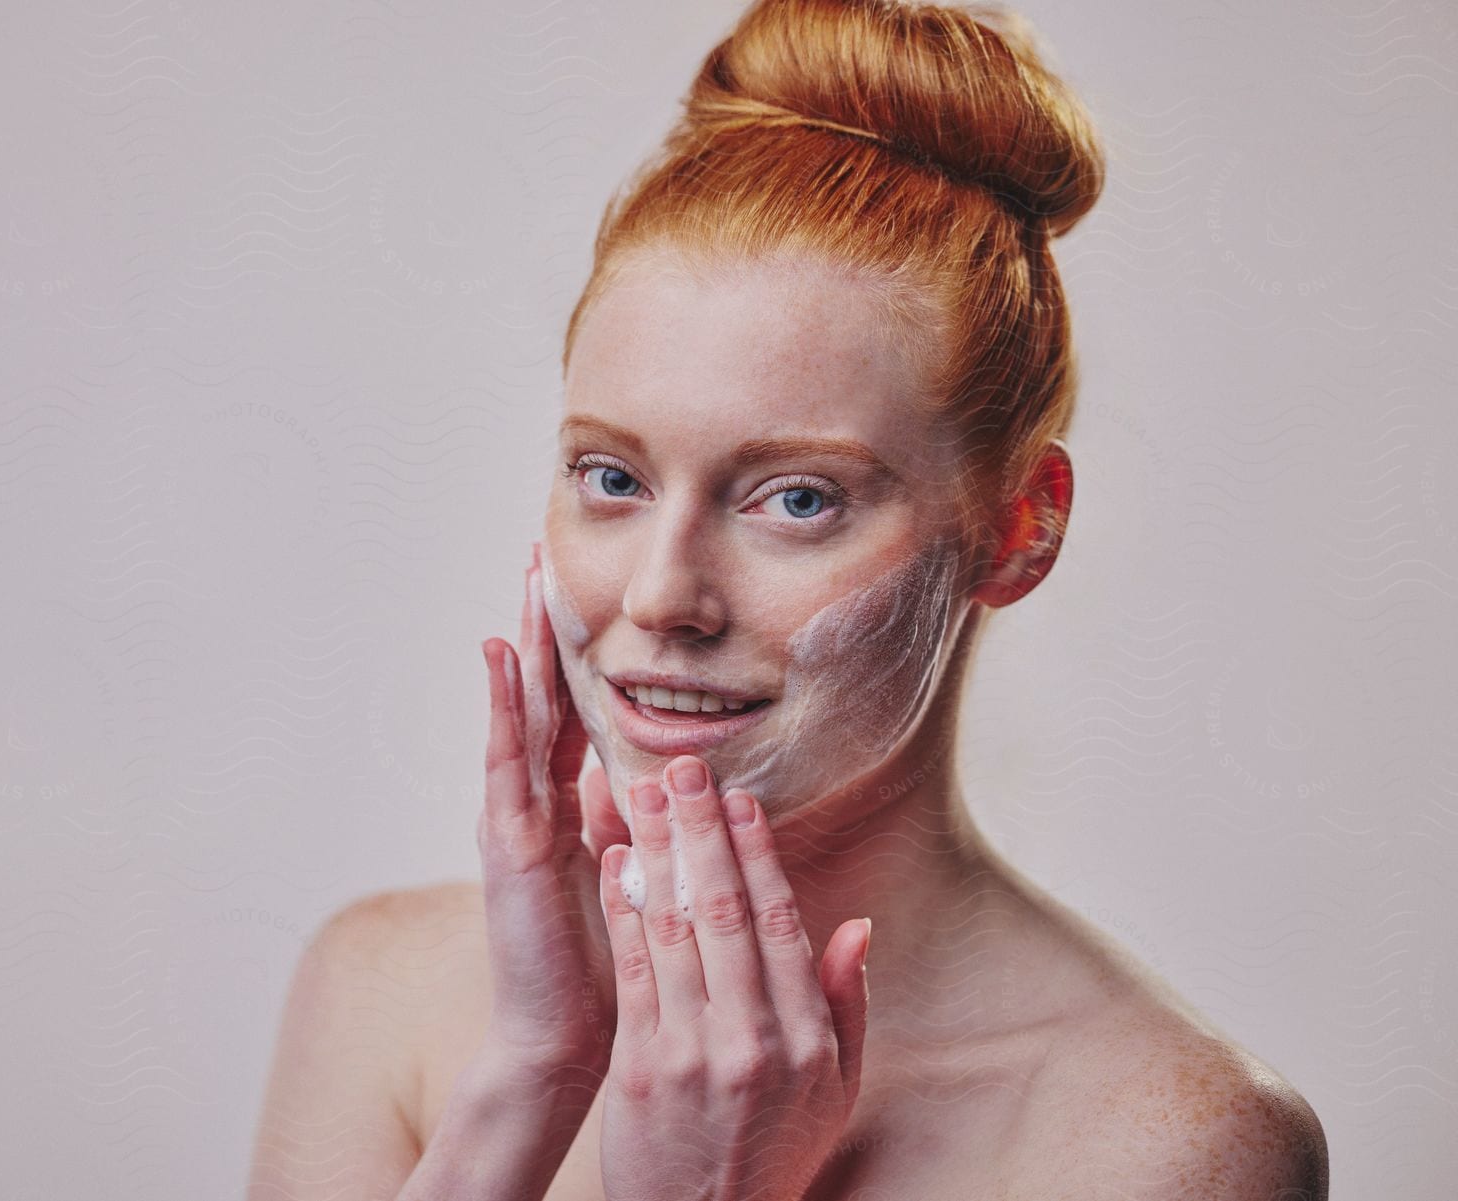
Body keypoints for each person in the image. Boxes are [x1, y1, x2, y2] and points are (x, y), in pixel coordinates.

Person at [248, 1, 1331, 1197]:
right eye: (612, 477)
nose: (662, 596)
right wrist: (532, 1075)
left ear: (1020, 529)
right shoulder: (382, 990)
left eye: (797, 500)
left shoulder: (1165, 1142)